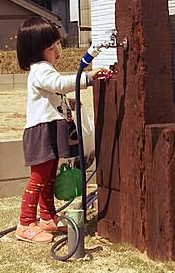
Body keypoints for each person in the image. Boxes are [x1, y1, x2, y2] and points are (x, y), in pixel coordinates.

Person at [15, 16, 107, 243]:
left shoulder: (44, 69)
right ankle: (25, 222)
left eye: (58, 44)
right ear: (35, 52)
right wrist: (87, 78)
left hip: (51, 128)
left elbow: (53, 96)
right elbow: (58, 84)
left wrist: (71, 103)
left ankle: (47, 217)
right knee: (38, 178)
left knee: (48, 177)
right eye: (50, 47)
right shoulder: (40, 69)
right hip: (42, 132)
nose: (57, 50)